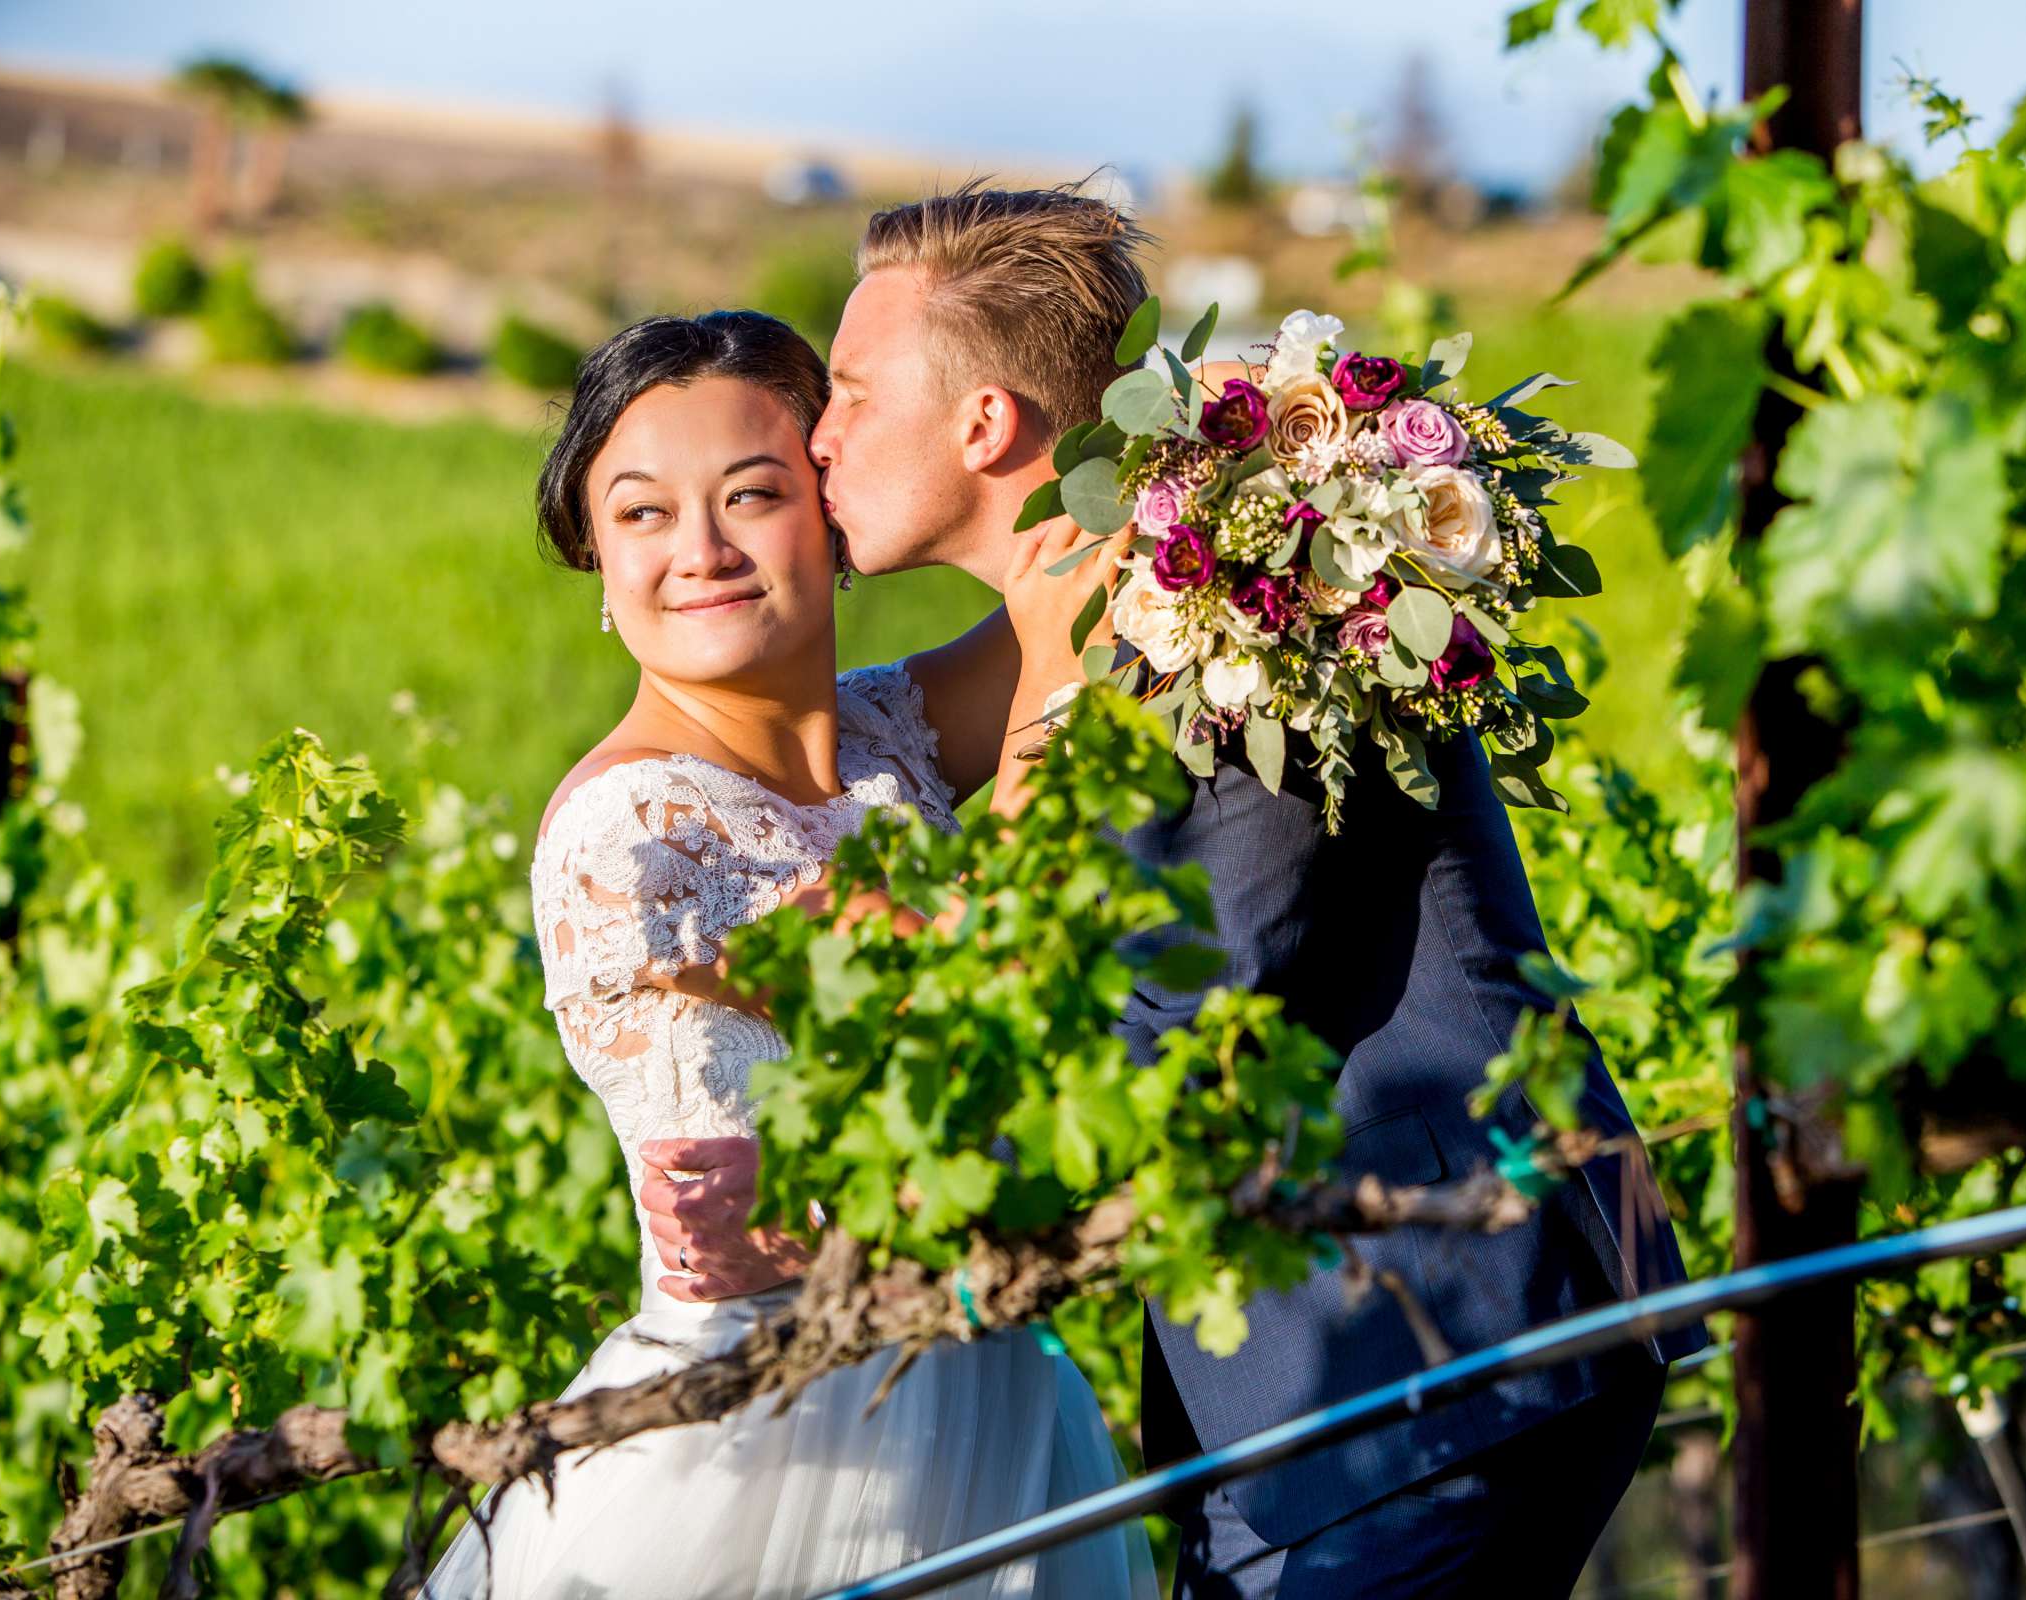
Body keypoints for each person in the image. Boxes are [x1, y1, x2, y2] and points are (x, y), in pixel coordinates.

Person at [649, 183, 1708, 1598]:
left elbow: (1185, 1006)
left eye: (847, 390)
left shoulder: (1220, 603)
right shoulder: (1056, 629)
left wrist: (839, 1210)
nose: (817, 433)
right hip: (1323, 1371)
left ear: (985, 425)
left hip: (1449, 1341)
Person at [418, 309, 1146, 1600]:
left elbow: (1077, 594)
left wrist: (1270, 459)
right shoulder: (623, 832)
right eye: (641, 514)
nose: (697, 551)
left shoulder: (888, 736)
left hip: (987, 1409)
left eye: (754, 494)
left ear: (836, 512)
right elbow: (987, 965)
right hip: (766, 1452)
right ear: (595, 556)